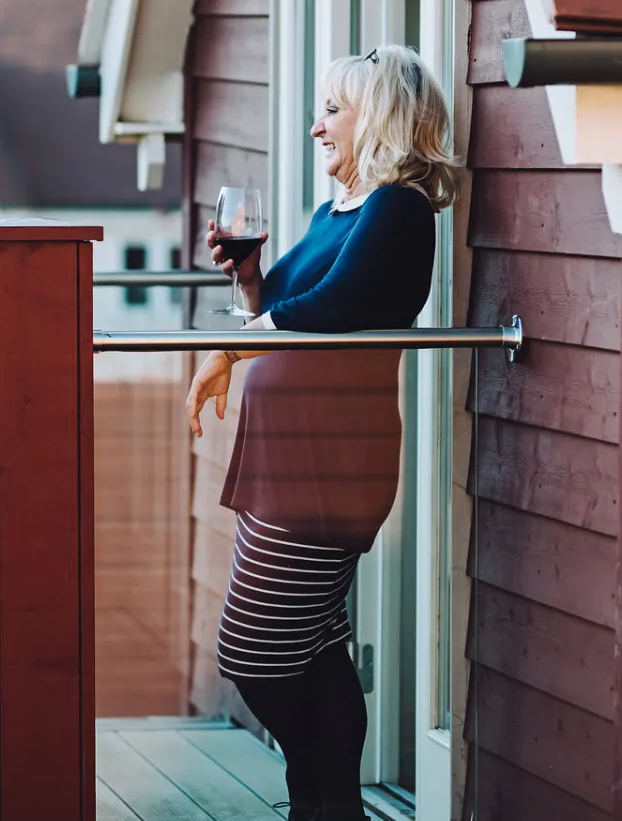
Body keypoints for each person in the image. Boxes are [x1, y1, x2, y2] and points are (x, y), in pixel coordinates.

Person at [185, 45, 460, 821]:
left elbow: (332, 308)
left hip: (328, 465)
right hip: (287, 460)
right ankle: (326, 801)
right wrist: (246, 273)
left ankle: (322, 793)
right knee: (314, 646)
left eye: (332, 110)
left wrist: (234, 349)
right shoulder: (337, 210)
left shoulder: (398, 208)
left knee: (252, 654)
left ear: (377, 115)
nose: (317, 129)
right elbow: (281, 303)